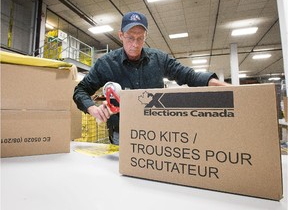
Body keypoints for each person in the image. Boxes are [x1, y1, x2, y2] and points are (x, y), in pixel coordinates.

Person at [73, 11, 229, 145]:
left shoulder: (159, 59)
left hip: (156, 132)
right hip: (122, 133)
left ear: (146, 36)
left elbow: (188, 75)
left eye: (140, 38)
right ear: (121, 35)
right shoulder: (105, 64)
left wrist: (221, 85)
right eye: (130, 38)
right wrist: (92, 108)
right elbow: (80, 90)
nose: (135, 44)